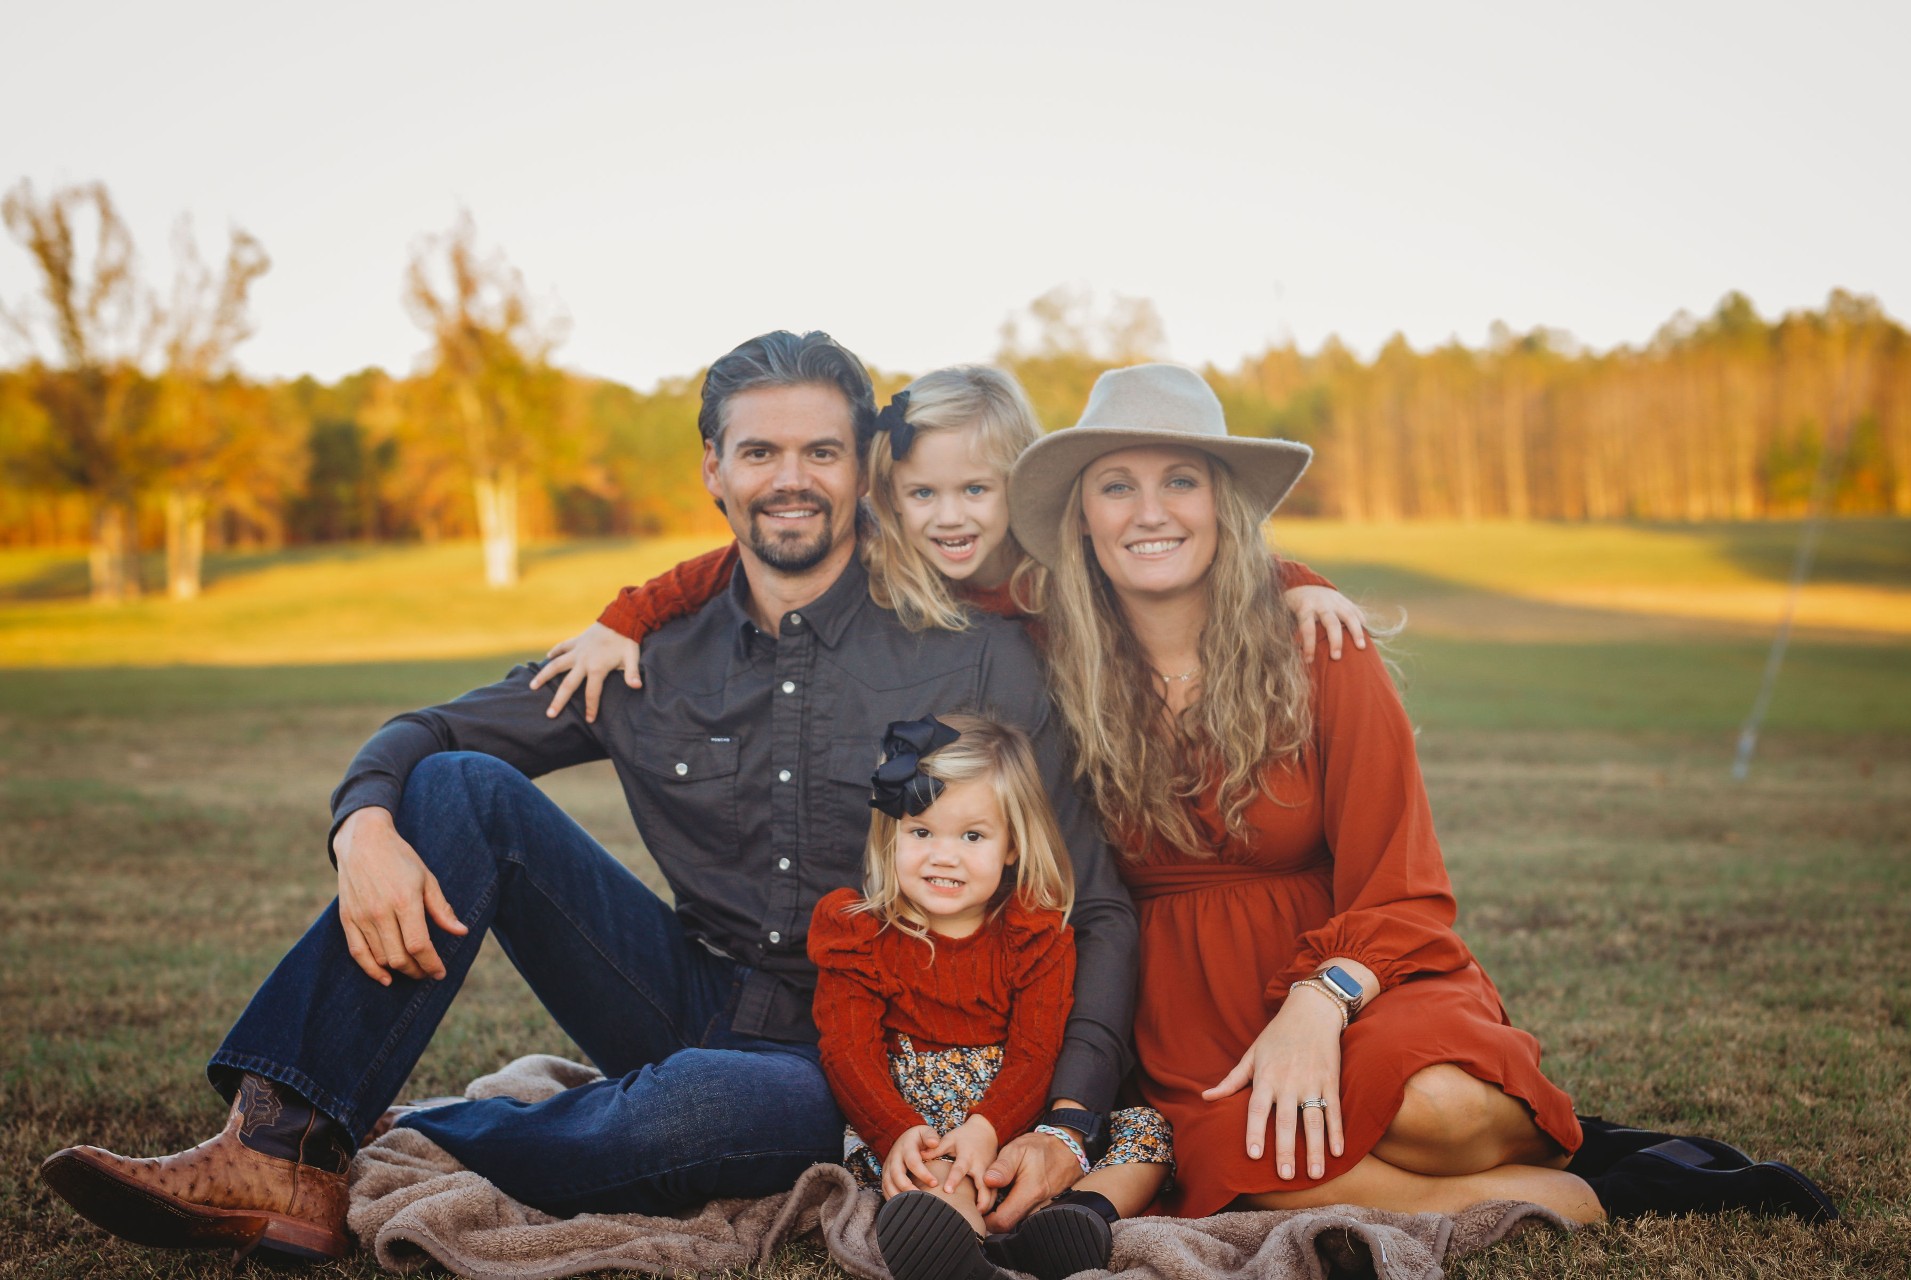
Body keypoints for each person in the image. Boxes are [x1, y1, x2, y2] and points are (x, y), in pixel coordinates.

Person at [39, 331, 1139, 1262]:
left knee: (718, 1105)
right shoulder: (644, 651)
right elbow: (434, 732)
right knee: (460, 785)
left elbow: (1092, 903)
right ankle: (277, 1142)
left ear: (864, 469)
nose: (789, 477)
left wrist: (1075, 1117)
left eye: (820, 451)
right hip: (680, 985)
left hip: (854, 1043)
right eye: (759, 451)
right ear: (715, 468)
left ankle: (428, 1128)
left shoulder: (977, 656)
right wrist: (363, 821)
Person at [1004, 362, 1839, 1226]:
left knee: (1439, 1110)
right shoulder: (1047, 662)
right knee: (1250, 1160)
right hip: (1183, 1009)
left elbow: (1406, 885)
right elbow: (943, 586)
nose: (1150, 511)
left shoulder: (1320, 645)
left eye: (1180, 479)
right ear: (1082, 518)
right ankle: (1619, 1189)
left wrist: (1318, 1002)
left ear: (1224, 505)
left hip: (1355, 965)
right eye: (1116, 485)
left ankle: (1539, 1159)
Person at [528, 363, 1368, 725]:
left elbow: (1192, 560)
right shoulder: (881, 559)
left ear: (1022, 487)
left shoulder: (1059, 570)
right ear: (889, 495)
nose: (949, 518)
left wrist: (1299, 580)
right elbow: (722, 567)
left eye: (976, 491)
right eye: (922, 494)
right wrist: (624, 620)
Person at [811, 715, 1172, 1280]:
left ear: (1012, 846)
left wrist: (990, 1128)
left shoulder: (1033, 933)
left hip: (1015, 1117)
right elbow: (847, 1051)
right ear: (893, 834)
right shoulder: (860, 933)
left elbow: (1037, 1052)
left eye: (972, 836)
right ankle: (962, 1250)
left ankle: (1078, 1216)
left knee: (1148, 1136)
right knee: (941, 1179)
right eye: (921, 832)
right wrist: (896, 1131)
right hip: (920, 1125)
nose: (943, 856)